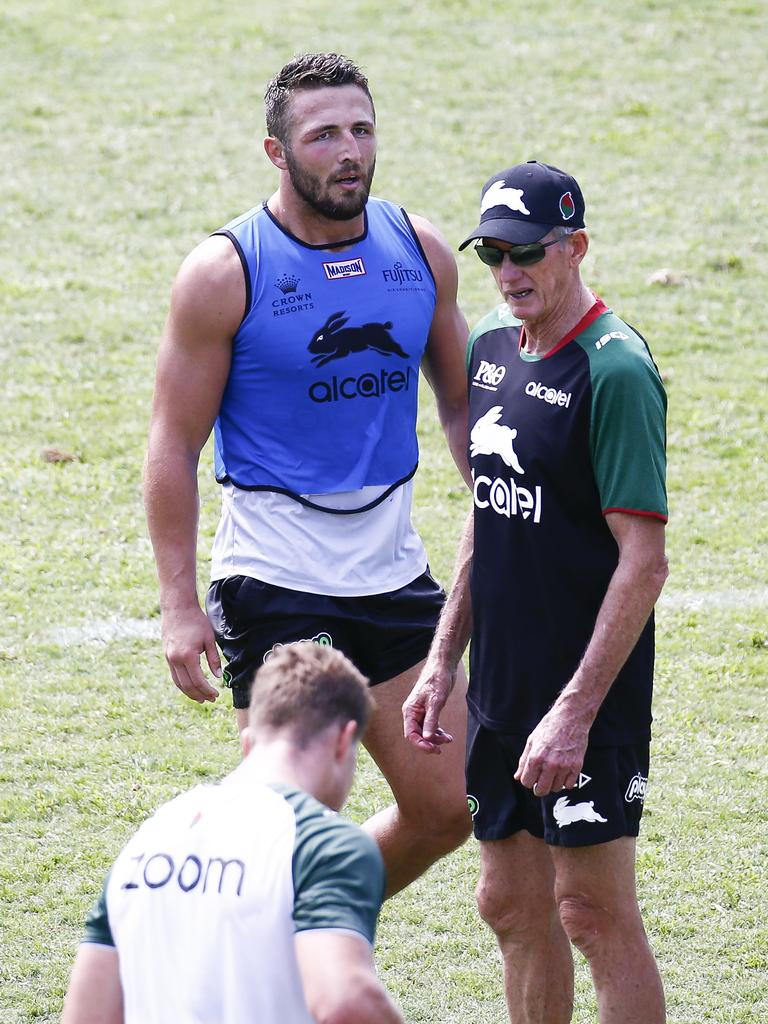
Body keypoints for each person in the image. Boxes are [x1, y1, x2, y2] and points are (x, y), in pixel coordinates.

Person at [143, 52, 472, 897]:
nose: (349, 151)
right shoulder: (225, 273)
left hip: (394, 576)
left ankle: (301, 921)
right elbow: (172, 445)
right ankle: (284, 956)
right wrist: (181, 605)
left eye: (361, 130)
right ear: (277, 152)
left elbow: (463, 407)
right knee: (284, 822)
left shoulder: (420, 251)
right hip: (275, 580)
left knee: (445, 808)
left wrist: (501, 508)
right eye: (324, 134)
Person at [403, 161, 669, 1024]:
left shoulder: (616, 371)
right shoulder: (487, 351)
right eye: (492, 255)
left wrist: (577, 711)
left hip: (583, 698)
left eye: (526, 254)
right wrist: (443, 659)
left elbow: (645, 561)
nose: (509, 273)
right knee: (510, 907)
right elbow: (488, 511)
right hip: (499, 688)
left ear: (575, 248)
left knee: (590, 915)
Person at [62, 643, 404, 1024]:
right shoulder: (322, 843)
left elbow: (86, 1014)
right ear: (344, 741)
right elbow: (346, 1002)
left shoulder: (151, 836)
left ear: (249, 743)